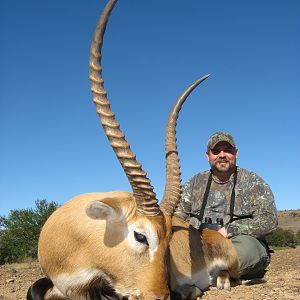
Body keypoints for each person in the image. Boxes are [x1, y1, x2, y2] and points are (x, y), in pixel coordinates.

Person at [174, 131, 278, 280]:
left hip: (238, 243)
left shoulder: (254, 182)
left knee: (250, 249)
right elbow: (177, 217)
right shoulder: (193, 183)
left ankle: (213, 271)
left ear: (235, 153)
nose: (222, 155)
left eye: (227, 150)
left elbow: (270, 221)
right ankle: (207, 272)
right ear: (208, 156)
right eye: (216, 151)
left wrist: (228, 230)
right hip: (199, 246)